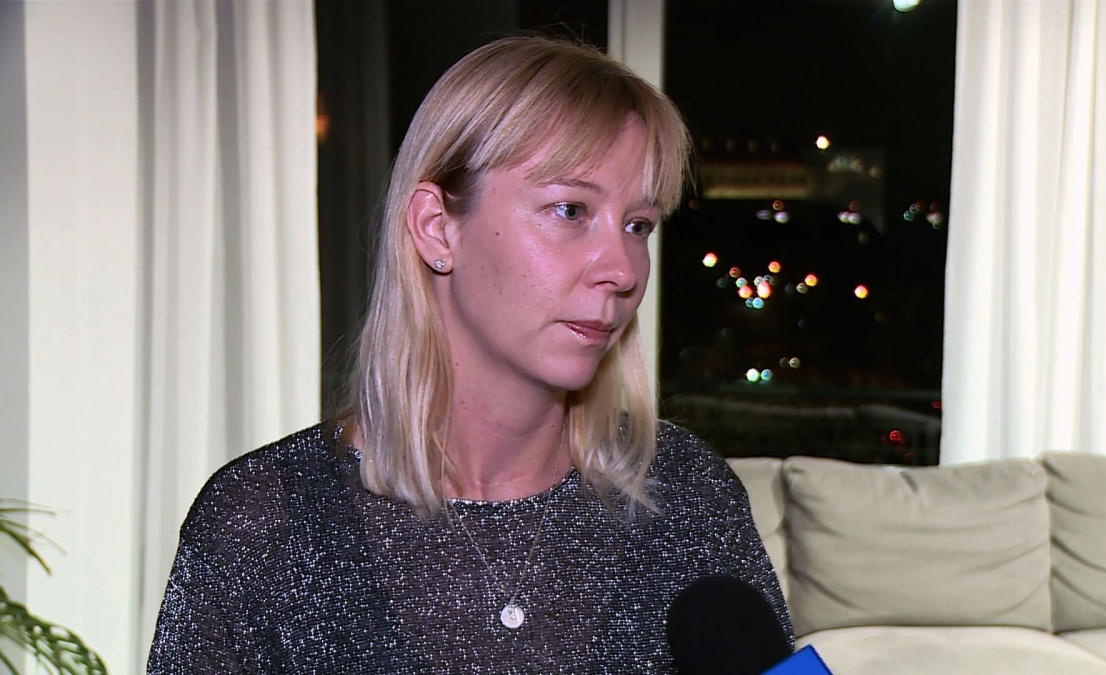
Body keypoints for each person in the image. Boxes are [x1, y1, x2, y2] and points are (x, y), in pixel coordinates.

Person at [147, 35, 791, 673]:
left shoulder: (691, 499)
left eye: (638, 225)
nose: (622, 268)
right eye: (570, 210)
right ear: (437, 228)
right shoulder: (263, 524)